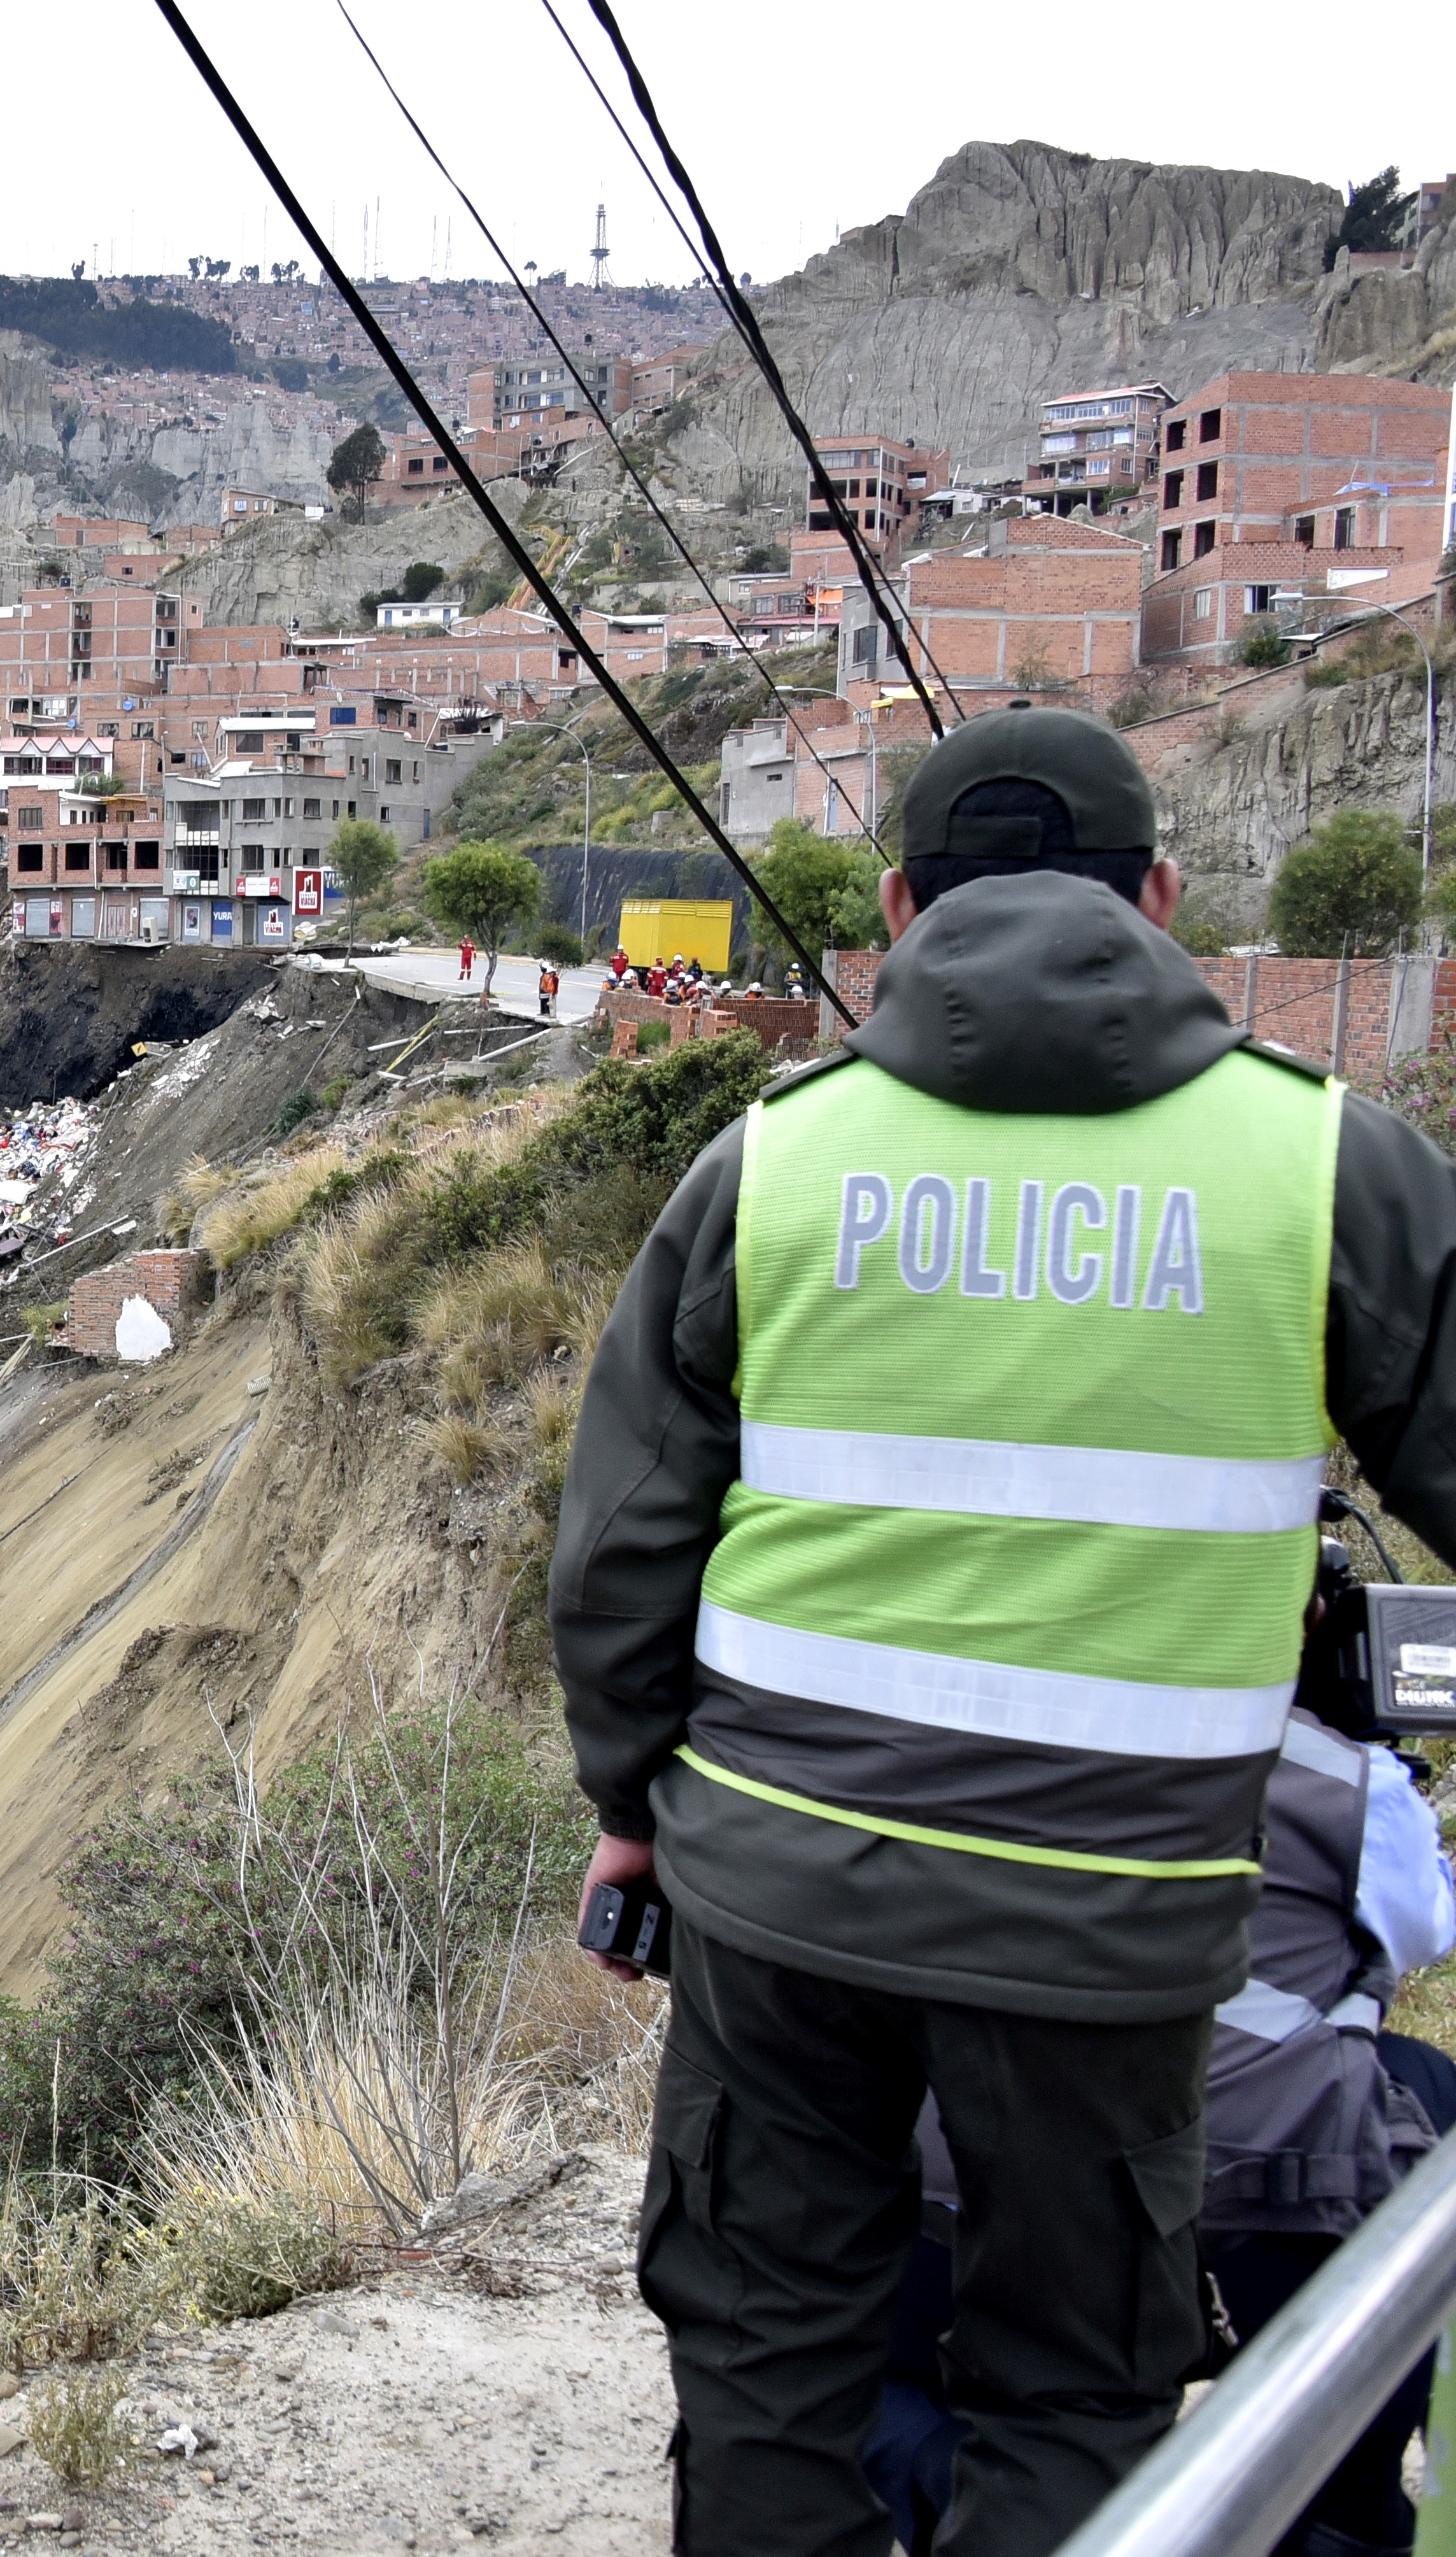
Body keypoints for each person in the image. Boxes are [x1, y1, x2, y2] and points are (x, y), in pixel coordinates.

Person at [551, 705, 1456, 2557]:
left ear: (892, 907)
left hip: (779, 1899)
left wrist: (631, 1802)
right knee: (1071, 2379)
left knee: (765, 2350)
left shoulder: (774, 1162)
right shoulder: (1325, 1166)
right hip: (1113, 1928)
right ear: (1166, 898)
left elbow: (628, 1543)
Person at [867, 1670, 1456, 2557]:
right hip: (1256, 2220)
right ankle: (1335, 2503)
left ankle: (975, 2490)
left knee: (843, 2369)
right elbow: (1427, 1926)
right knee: (1418, 2083)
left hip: (978, 2228)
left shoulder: (918, 1741)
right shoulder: (1341, 1784)